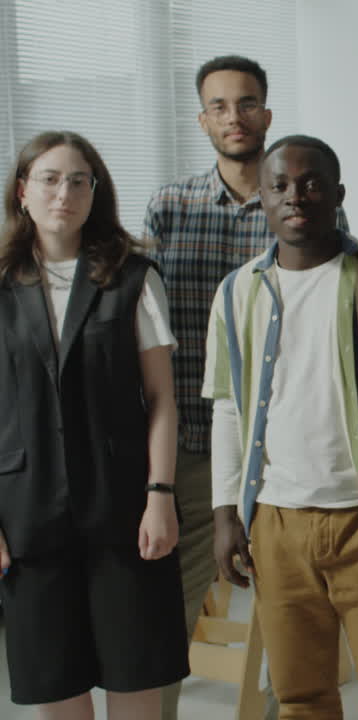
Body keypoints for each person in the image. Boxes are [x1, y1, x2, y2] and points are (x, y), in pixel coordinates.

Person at [142, 55, 347, 720]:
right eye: (221, 106)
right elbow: (141, 318)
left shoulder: (300, 200)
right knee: (164, 613)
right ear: (203, 119)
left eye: (248, 102)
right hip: (196, 447)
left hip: (295, 453)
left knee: (300, 621)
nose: (236, 117)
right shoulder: (170, 207)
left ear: (267, 111)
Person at [202, 135, 358, 719]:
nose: (295, 196)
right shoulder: (235, 293)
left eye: (311, 183)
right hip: (276, 525)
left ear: (337, 194)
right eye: (279, 186)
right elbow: (227, 406)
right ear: (263, 199)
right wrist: (226, 513)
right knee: (300, 697)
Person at [0, 131, 188, 716]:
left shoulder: (133, 277)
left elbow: (160, 398)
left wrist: (161, 495)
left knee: (136, 676)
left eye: (79, 180)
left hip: (124, 508)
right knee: (57, 687)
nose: (65, 193)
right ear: (24, 191)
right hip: (26, 514)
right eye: (51, 179)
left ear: (95, 192)